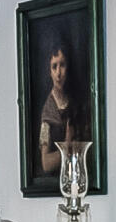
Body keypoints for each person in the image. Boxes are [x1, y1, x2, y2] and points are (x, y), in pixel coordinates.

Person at [28, 37, 89, 188]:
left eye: (62, 65)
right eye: (54, 67)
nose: (58, 73)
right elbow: (46, 163)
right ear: (49, 72)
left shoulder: (76, 102)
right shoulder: (48, 113)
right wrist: (67, 146)